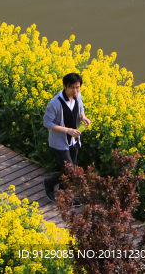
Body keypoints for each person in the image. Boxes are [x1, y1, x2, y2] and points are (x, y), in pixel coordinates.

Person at [42, 73, 92, 204]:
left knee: (69, 169)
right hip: (60, 141)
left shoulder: (77, 96)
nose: (75, 91)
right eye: (72, 88)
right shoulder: (55, 103)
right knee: (70, 170)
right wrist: (67, 130)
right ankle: (48, 183)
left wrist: (83, 117)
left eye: (78, 87)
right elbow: (47, 122)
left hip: (74, 139)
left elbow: (80, 108)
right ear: (64, 86)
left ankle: (64, 197)